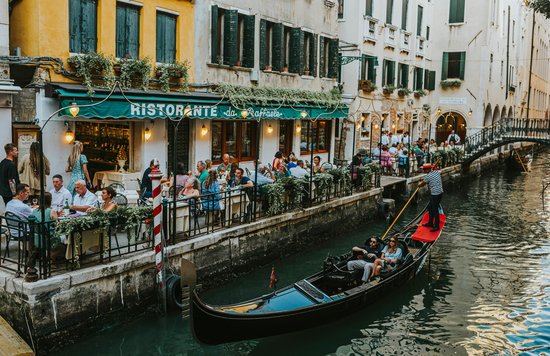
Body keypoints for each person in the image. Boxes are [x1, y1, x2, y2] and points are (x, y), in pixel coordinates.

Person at [418, 165, 443, 232]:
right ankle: (430, 223)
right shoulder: (437, 172)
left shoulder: (428, 176)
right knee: (430, 208)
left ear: (428, 170)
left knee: (435, 210)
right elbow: (437, 170)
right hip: (439, 193)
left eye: (424, 170)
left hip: (435, 194)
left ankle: (436, 226)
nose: (423, 171)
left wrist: (419, 185)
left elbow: (422, 184)